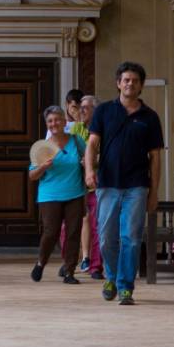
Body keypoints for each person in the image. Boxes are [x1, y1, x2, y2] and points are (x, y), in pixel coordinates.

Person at [85, 62, 163, 306]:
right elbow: (92, 144)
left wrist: (154, 192)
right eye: (126, 79)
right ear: (119, 83)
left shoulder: (149, 117)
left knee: (131, 236)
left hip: (137, 186)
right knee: (107, 237)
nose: (130, 84)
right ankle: (111, 276)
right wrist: (89, 170)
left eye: (135, 80)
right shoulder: (104, 111)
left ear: (141, 86)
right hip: (107, 184)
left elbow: (156, 157)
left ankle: (125, 287)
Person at [29, 106, 86, 285]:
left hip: (75, 193)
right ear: (47, 124)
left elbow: (90, 162)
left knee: (73, 233)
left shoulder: (77, 141)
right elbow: (32, 175)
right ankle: (41, 262)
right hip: (50, 195)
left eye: (57, 119)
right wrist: (43, 167)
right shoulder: (42, 147)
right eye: (50, 121)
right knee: (51, 232)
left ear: (64, 121)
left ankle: (69, 271)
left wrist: (87, 164)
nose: (54, 124)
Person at [73, 95, 103, 279]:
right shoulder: (76, 128)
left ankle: (96, 266)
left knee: (97, 225)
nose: (81, 110)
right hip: (75, 184)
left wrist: (92, 160)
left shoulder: (102, 128)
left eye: (85, 107)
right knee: (69, 226)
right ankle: (71, 262)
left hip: (96, 184)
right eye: (80, 107)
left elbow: (106, 153)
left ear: (95, 110)